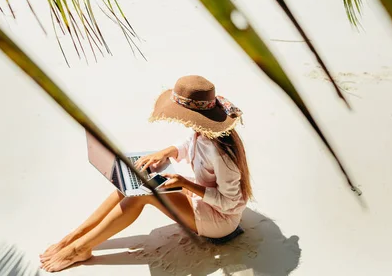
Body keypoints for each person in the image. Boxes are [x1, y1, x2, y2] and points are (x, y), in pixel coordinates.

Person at [40, 75, 252, 272]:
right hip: (201, 197)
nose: (181, 119)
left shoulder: (223, 154)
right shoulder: (202, 131)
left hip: (220, 219)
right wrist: (166, 152)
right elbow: (189, 144)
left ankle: (80, 249)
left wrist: (187, 185)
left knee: (143, 195)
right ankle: (74, 237)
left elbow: (232, 203)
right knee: (131, 182)